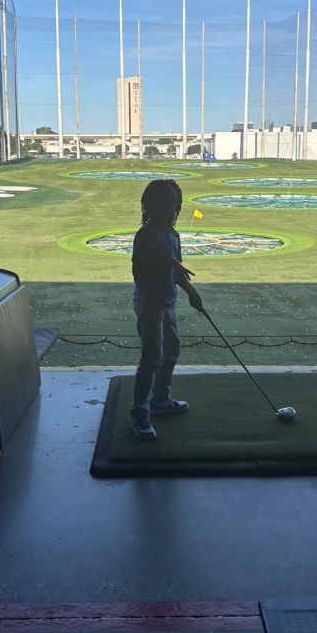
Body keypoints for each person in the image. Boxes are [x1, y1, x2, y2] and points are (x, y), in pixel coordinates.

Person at [130, 178, 203, 440]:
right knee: (151, 356)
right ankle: (139, 413)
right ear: (151, 204)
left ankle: (160, 400)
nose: (169, 206)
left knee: (171, 351)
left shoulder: (174, 236)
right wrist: (167, 262)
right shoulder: (145, 235)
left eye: (173, 201)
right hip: (149, 300)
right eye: (164, 201)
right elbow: (140, 271)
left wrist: (192, 293)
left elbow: (178, 272)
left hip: (169, 300)